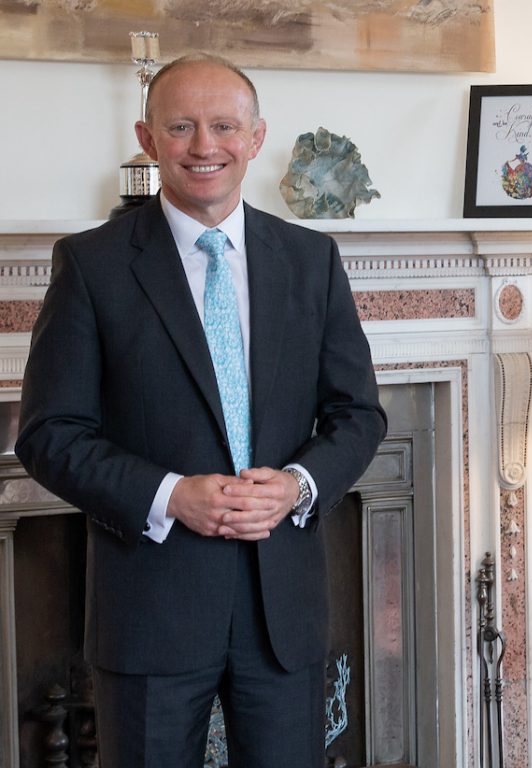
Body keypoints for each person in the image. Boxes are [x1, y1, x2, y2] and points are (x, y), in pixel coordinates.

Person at [15, 53, 387, 768]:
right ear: (148, 139)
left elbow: (358, 414)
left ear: (255, 137)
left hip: (283, 610)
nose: (203, 146)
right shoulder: (91, 266)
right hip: (150, 608)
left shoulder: (312, 260)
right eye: (180, 127)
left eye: (223, 126)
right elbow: (49, 434)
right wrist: (171, 496)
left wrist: (299, 485)